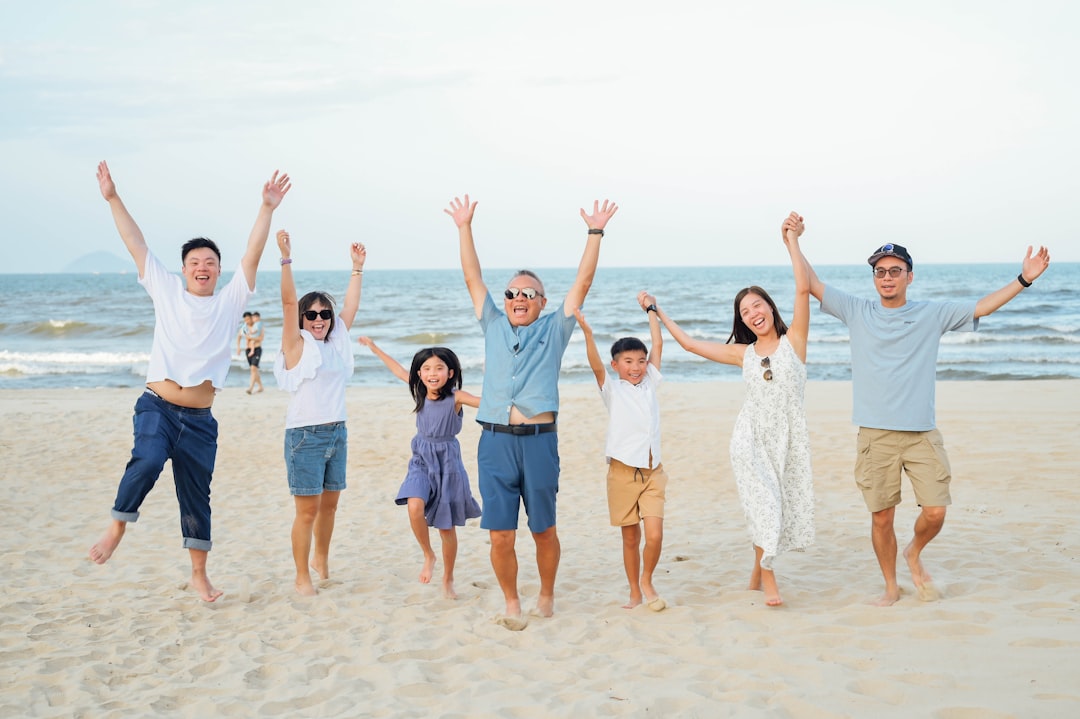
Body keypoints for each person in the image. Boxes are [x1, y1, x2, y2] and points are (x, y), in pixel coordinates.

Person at [798, 233, 1051, 606]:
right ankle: (890, 586)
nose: (887, 277)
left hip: (921, 433)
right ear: (874, 278)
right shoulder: (856, 310)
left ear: (909, 276)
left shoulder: (932, 314)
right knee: (882, 518)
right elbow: (811, 283)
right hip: (876, 435)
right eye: (880, 272)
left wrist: (1024, 279)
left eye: (895, 271)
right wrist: (792, 241)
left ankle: (913, 551)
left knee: (935, 512)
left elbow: (982, 307)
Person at [87, 161, 291, 602]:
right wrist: (112, 197)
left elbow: (252, 254)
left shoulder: (231, 301)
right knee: (147, 461)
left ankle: (199, 575)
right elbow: (135, 242)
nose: (203, 267)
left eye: (210, 262)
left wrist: (266, 208)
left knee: (197, 496)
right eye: (195, 262)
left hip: (199, 420)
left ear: (218, 271)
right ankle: (118, 526)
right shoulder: (166, 291)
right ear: (183, 270)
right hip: (157, 406)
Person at [444, 194, 618, 630]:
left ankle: (546, 592)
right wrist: (464, 227)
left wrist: (595, 232)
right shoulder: (493, 324)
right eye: (511, 293)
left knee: (543, 529)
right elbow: (471, 278)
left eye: (528, 293)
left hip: (540, 444)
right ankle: (511, 600)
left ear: (542, 301)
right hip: (495, 444)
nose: (518, 298)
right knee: (501, 534)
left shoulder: (555, 328)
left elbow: (583, 282)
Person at [649, 212, 814, 607]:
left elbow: (803, 288)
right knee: (765, 505)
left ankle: (755, 576)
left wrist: (791, 241)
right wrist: (656, 310)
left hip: (788, 441)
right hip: (750, 439)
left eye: (757, 306)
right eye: (744, 312)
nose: (753, 314)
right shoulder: (744, 353)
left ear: (770, 308)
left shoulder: (795, 342)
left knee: (774, 507)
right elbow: (690, 345)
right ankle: (769, 580)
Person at [273, 230, 365, 596]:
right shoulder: (297, 345)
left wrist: (356, 269)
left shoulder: (335, 342)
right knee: (307, 511)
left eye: (324, 314)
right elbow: (287, 302)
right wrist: (285, 258)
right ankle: (302, 576)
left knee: (329, 507)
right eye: (311, 314)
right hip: (305, 437)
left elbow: (350, 308)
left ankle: (321, 561)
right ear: (301, 318)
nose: (319, 319)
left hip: (337, 432)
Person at [358, 338, 482, 599]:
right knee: (414, 506)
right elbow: (398, 370)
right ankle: (428, 555)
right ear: (420, 373)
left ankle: (448, 578)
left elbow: (484, 401)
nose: (432, 373)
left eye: (439, 368)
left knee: (446, 528)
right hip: (421, 460)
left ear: (450, 373)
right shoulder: (420, 392)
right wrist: (374, 348)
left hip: (447, 463)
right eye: (426, 368)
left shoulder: (456, 397)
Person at [573, 293, 669, 611]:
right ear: (616, 365)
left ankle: (647, 580)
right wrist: (587, 333)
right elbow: (594, 364)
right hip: (622, 473)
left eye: (641, 361)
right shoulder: (612, 390)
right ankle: (634, 591)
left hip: (653, 472)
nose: (636, 367)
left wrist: (651, 310)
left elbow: (658, 343)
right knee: (630, 538)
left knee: (654, 535)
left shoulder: (650, 382)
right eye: (628, 362)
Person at [237, 311, 265, 394]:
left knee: (253, 368)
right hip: (248, 350)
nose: (247, 321)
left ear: (252, 318)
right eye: (245, 320)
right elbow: (239, 337)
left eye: (248, 319)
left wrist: (250, 337)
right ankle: (261, 387)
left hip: (257, 349)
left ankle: (250, 388)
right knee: (254, 370)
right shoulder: (244, 328)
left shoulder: (258, 327)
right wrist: (238, 347)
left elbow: (260, 338)